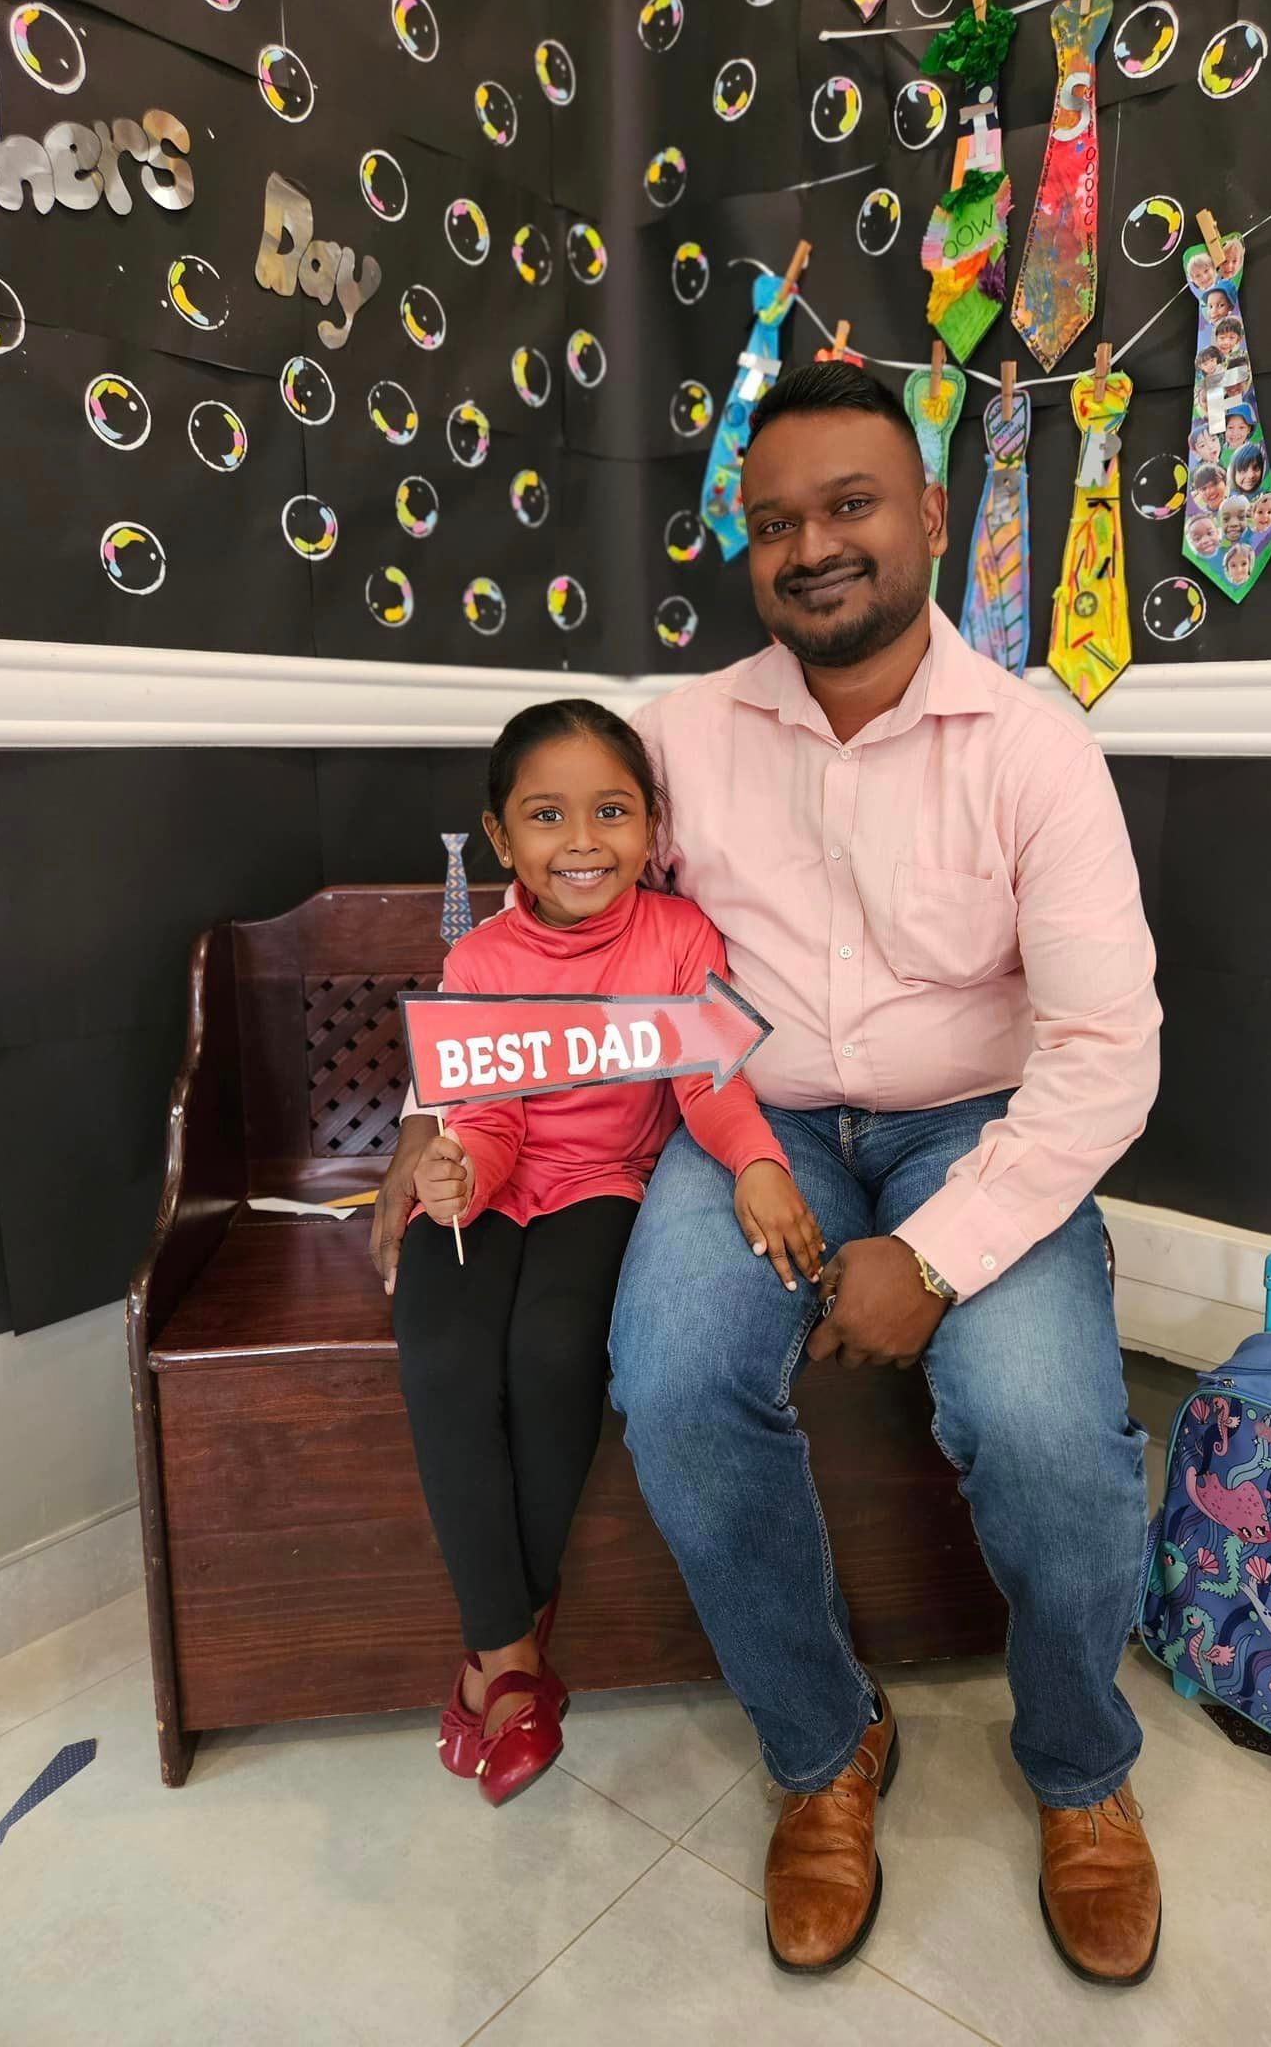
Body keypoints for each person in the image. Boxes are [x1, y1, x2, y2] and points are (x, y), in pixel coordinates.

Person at [372, 363, 1163, 1988]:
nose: (812, 544)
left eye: (850, 503)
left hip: (973, 1125)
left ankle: (1082, 1766)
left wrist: (933, 1257)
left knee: (1042, 1423)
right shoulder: (678, 742)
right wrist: (431, 1115)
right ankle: (823, 1744)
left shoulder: (1034, 750)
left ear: (930, 514)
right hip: (753, 1119)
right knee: (673, 1377)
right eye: (775, 519)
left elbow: (1107, 1050)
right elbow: (551, 923)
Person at [390, 699, 820, 1807]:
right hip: (488, 1188)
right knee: (445, 1358)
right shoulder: (480, 959)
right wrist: (455, 1168)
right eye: (547, 815)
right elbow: (484, 1114)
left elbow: (707, 1085)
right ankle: (510, 1655)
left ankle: (496, 1669)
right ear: (501, 837)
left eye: (612, 812)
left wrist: (758, 1162)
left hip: (604, 1187)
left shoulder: (678, 938)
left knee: (553, 1354)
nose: (582, 840)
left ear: (651, 824)